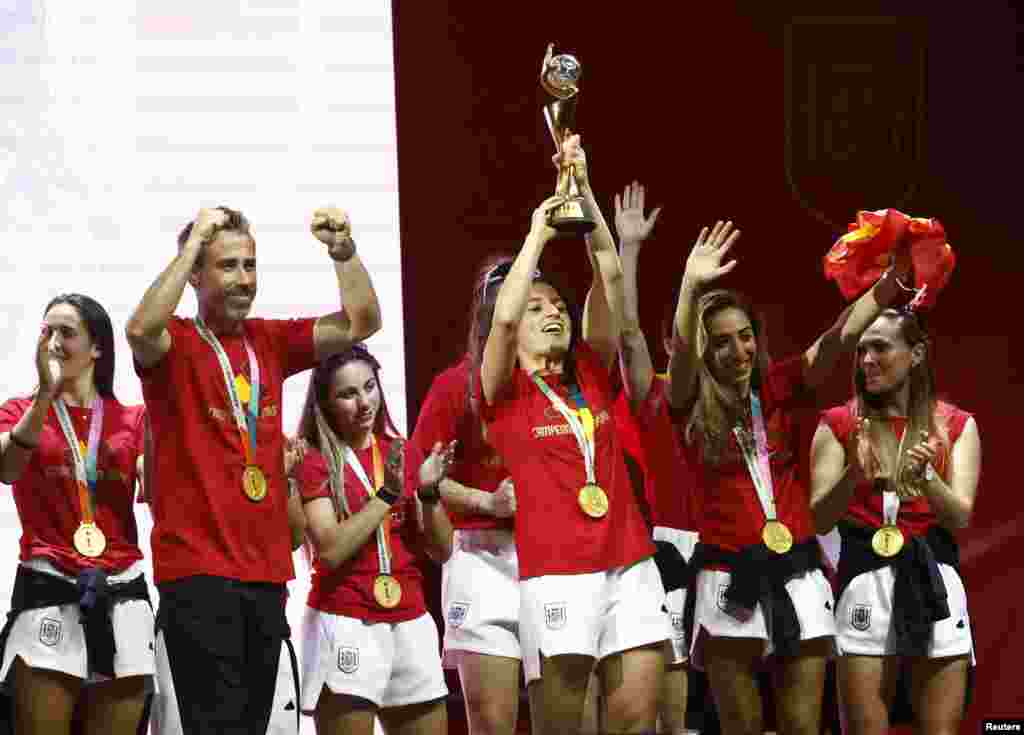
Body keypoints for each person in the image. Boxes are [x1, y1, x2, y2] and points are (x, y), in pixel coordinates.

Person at [125, 205, 381, 734]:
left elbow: (363, 322)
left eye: (251, 265)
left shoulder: (271, 341)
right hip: (198, 581)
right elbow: (138, 328)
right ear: (195, 272)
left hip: (265, 580)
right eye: (228, 266)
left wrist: (344, 253)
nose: (245, 280)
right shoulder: (174, 344)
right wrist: (192, 243)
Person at [668, 222, 913, 735]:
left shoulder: (778, 385)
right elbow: (683, 359)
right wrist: (690, 286)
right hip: (728, 576)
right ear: (705, 351)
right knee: (743, 727)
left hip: (797, 568)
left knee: (804, 726)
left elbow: (841, 334)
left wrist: (893, 280)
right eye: (722, 344)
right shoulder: (687, 402)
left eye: (745, 336)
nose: (739, 352)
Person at [479, 136, 669, 735]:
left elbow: (610, 275)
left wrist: (580, 191)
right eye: (539, 308)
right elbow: (503, 317)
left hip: (630, 562)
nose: (552, 312)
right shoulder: (501, 389)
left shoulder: (590, 370)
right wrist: (538, 232)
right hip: (557, 570)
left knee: (637, 721)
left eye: (557, 302)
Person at [809, 308, 980, 735]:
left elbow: (959, 516)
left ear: (916, 353)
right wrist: (853, 475)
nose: (867, 358)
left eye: (881, 347)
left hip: (932, 580)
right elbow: (817, 517)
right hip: (865, 582)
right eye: (862, 349)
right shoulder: (839, 423)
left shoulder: (957, 425)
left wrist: (929, 481)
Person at [0, 294, 152, 734]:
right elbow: (7, 468)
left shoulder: (133, 419)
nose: (53, 341)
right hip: (49, 592)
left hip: (122, 594)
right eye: (47, 331)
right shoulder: (18, 412)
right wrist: (45, 397)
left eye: (67, 332)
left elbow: (157, 493)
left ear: (97, 347)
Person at [294, 344, 450, 735]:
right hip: (345, 617)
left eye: (369, 387)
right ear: (326, 403)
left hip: (410, 616)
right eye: (348, 394)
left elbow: (442, 549)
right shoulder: (313, 460)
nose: (365, 402)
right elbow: (328, 551)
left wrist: (429, 494)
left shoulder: (402, 452)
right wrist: (386, 495)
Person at [405, 253, 523, 735]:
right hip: (482, 558)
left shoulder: (565, 384)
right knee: (493, 726)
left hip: (559, 558)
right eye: (507, 308)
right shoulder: (456, 384)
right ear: (486, 315)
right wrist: (487, 502)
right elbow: (421, 473)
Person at [613, 182, 701, 735]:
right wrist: (629, 249)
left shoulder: (680, 396)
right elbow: (624, 334)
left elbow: (634, 334)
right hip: (646, 550)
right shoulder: (638, 395)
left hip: (703, 548)